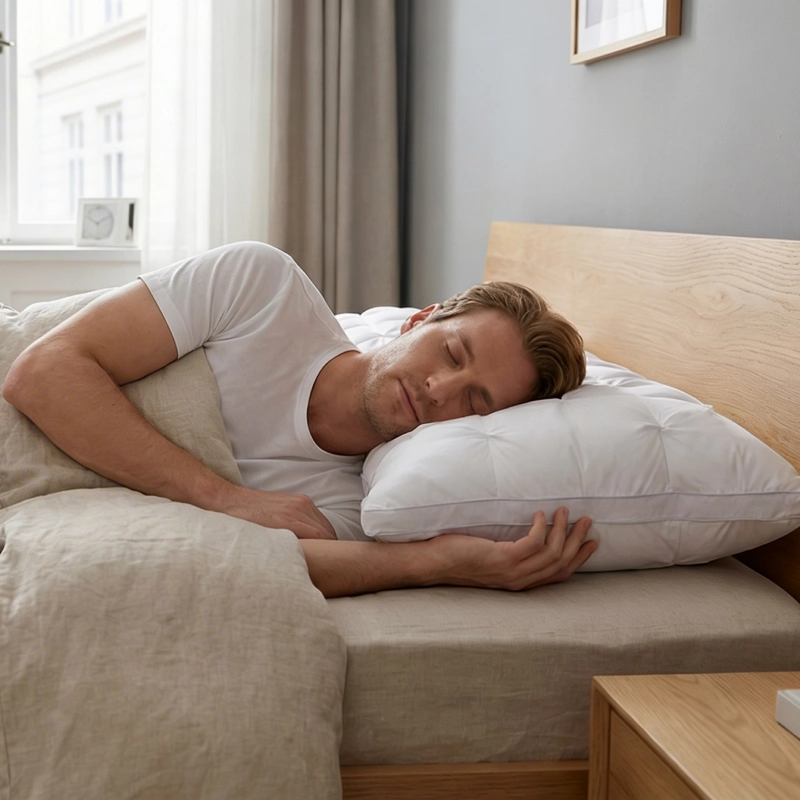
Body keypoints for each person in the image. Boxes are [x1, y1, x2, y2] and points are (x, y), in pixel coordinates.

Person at [2, 241, 597, 597]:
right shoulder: (263, 287)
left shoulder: (366, 504)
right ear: (420, 320)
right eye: (451, 353)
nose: (440, 390)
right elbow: (42, 371)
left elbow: (293, 566)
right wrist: (225, 498)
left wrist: (445, 561)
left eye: (476, 402)